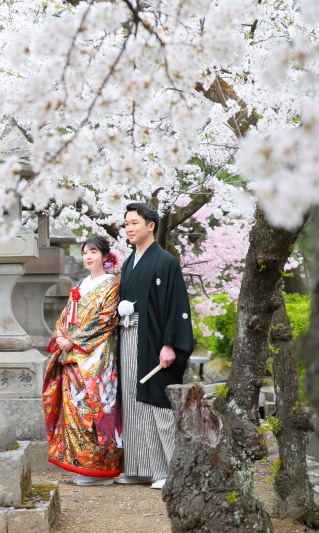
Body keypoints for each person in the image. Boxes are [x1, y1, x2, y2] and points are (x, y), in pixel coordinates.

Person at [116, 202, 193, 490]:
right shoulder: (129, 261)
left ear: (151, 225)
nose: (129, 229)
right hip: (129, 336)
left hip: (155, 340)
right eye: (126, 224)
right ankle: (141, 467)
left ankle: (169, 469)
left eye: (134, 223)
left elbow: (176, 305)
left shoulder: (165, 261)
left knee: (156, 401)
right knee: (133, 400)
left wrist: (170, 344)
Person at [42, 236, 123, 486]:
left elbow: (106, 319)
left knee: (95, 409)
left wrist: (73, 339)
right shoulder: (81, 284)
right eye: (85, 252)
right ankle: (82, 465)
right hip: (72, 357)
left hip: (96, 357)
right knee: (74, 411)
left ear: (106, 256)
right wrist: (61, 335)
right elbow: (66, 316)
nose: (89, 257)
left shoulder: (112, 284)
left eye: (94, 252)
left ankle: (101, 467)